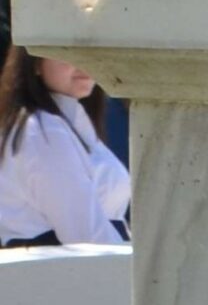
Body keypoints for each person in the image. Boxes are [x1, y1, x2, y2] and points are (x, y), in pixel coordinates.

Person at [0, 47, 129, 247]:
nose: (84, 63)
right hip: (67, 271)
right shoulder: (42, 129)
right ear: (34, 62)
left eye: (91, 50)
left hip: (88, 266)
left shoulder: (66, 122)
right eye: (66, 51)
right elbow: (86, 234)